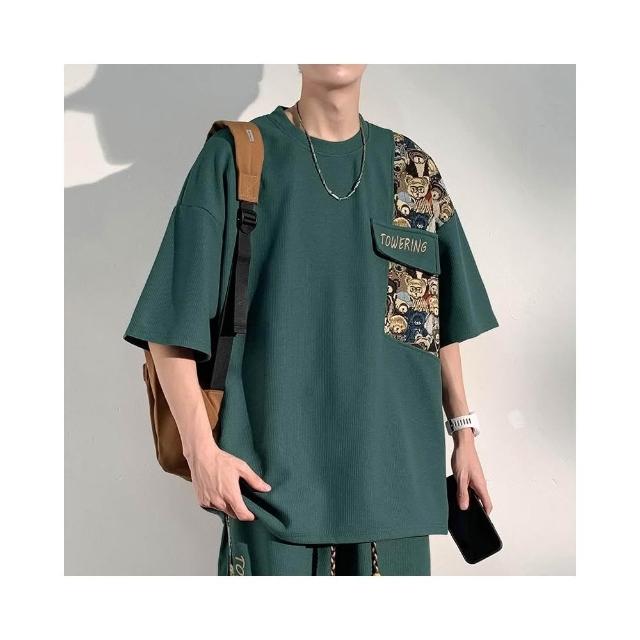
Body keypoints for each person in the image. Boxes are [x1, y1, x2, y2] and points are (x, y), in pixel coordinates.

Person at [124, 64, 499, 576]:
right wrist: (200, 452)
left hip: (398, 502)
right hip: (271, 499)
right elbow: (170, 322)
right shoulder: (238, 157)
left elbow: (434, 320)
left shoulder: (412, 170)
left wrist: (464, 436)